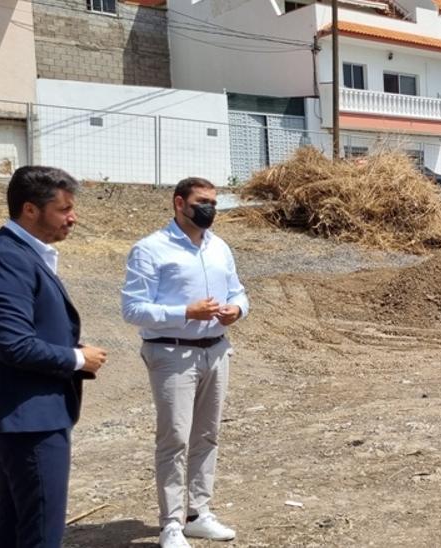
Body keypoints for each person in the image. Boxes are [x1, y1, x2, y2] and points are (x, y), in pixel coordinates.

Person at [0, 166, 109, 548]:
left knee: (16, 526)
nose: (73, 217)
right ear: (30, 210)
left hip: (27, 416)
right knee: (41, 532)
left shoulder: (20, 254)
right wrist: (77, 359)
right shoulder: (5, 259)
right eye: (64, 209)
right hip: (26, 418)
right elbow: (13, 344)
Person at [121, 177, 248, 548]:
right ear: (179, 203)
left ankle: (198, 513)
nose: (209, 208)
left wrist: (237, 309)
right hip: (171, 352)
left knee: (207, 435)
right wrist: (185, 312)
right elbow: (133, 309)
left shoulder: (219, 247)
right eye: (201, 202)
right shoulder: (150, 249)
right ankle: (171, 525)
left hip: (216, 349)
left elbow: (238, 289)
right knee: (174, 438)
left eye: (213, 202)